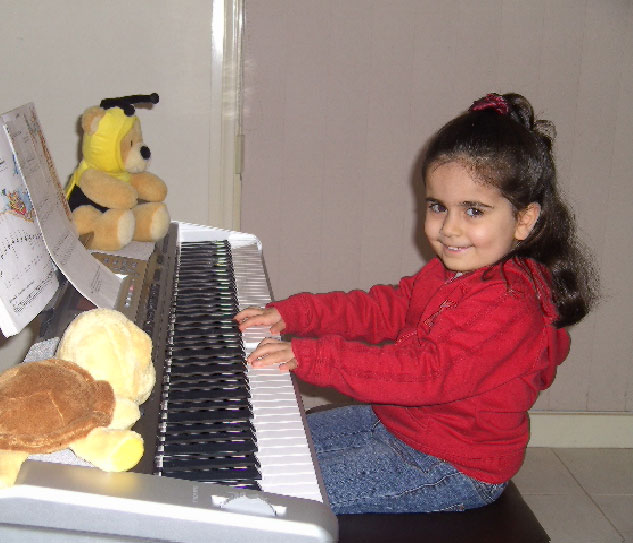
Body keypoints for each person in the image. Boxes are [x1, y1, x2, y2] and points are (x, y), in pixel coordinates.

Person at [235, 92, 598, 515]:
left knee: (279, 492)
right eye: (438, 207)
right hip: (397, 422)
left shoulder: (509, 304)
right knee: (266, 443)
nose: (449, 229)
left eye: (473, 211)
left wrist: (310, 356)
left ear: (524, 220)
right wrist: (294, 314)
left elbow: (423, 372)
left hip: (449, 464)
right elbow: (381, 308)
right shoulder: (451, 272)